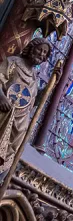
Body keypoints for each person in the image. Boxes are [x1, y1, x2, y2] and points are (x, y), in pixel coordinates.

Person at [0, 38, 51, 173]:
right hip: (3, 114)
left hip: (20, 123)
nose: (41, 54)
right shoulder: (13, 62)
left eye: (45, 53)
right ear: (31, 48)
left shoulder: (34, 77)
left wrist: (49, 87)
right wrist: (1, 96)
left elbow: (32, 102)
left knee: (6, 158)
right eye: (40, 50)